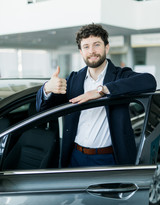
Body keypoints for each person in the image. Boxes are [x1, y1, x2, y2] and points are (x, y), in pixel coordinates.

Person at [36, 23, 157, 168]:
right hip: (75, 157)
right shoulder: (74, 79)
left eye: (96, 45)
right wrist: (47, 89)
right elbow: (42, 108)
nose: (92, 51)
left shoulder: (120, 75)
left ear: (106, 47)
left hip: (110, 158)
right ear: (81, 51)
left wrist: (102, 90)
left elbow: (149, 81)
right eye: (86, 47)